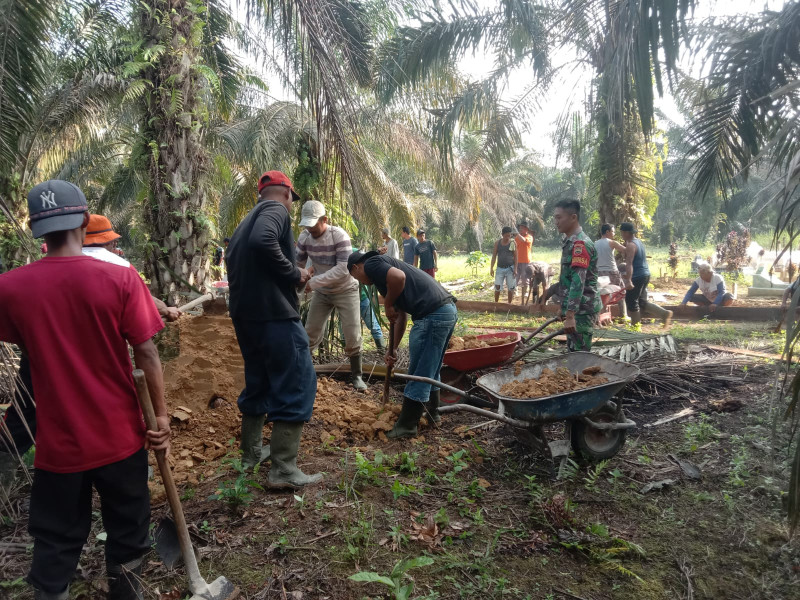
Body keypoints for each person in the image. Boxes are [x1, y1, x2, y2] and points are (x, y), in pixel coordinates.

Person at [0, 180, 170, 600]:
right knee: (128, 529)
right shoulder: (119, 279)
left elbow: (24, 341)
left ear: (38, 229)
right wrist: (162, 418)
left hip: (59, 446)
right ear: (83, 218)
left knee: (55, 536)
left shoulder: (10, 288)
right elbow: (146, 354)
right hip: (120, 438)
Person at [226, 171, 321, 487]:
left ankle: (251, 454)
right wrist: (294, 273)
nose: (291, 205)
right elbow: (264, 241)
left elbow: (248, 252)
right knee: (297, 380)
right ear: (286, 193)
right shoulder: (275, 210)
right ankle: (283, 469)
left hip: (247, 316)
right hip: (274, 316)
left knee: (259, 381)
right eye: (292, 200)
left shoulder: (245, 220)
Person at [348, 251, 457, 438]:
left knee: (419, 372)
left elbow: (399, 278)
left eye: (355, 277)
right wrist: (393, 348)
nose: (360, 281)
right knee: (430, 368)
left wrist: (387, 303)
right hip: (445, 312)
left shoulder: (373, 264)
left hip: (432, 315)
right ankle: (433, 413)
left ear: (356, 267)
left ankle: (407, 425)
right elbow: (399, 316)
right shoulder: (384, 278)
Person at [296, 200, 368, 390]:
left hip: (346, 290)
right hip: (322, 292)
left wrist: (312, 282)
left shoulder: (339, 236)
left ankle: (357, 375)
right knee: (310, 331)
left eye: (313, 224)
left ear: (324, 219)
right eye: (307, 225)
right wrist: (298, 280)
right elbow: (298, 266)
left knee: (352, 333)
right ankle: (303, 371)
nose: (310, 228)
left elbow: (343, 270)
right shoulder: (304, 238)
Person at [82, 214, 181, 322]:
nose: (114, 245)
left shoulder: (64, 260)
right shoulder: (121, 266)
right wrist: (166, 310)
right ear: (108, 241)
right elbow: (142, 298)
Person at [538, 199, 601, 352]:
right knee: (573, 353)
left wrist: (571, 315)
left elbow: (578, 282)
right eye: (555, 218)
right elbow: (567, 280)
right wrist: (564, 308)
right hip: (575, 309)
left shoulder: (580, 244)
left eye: (559, 217)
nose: (556, 222)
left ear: (573, 217)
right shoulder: (569, 242)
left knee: (580, 355)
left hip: (583, 310)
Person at [620, 223, 673, 326]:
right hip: (645, 274)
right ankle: (664, 313)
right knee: (642, 302)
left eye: (622, 232)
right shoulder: (638, 242)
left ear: (626, 233)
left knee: (631, 301)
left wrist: (629, 280)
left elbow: (629, 263)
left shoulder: (631, 245)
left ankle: (635, 327)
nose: (621, 235)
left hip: (637, 276)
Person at [595, 223, 628, 319]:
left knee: (602, 293)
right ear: (607, 232)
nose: (613, 234)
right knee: (621, 292)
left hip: (599, 273)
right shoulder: (612, 243)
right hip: (611, 271)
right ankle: (623, 315)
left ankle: (603, 313)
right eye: (613, 231)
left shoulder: (595, 244)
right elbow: (625, 250)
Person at [490, 226, 518, 303]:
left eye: (509, 236)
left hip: (510, 268)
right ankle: (496, 303)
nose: (508, 237)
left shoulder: (513, 243)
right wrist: (491, 268)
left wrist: (515, 269)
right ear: (502, 235)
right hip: (500, 268)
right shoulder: (497, 243)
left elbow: (516, 257)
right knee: (497, 287)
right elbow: (494, 256)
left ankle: (509, 304)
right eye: (506, 236)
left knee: (511, 288)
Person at [515, 220, 534, 303]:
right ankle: (515, 291)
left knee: (524, 277)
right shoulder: (517, 238)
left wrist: (517, 235)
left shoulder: (529, 237)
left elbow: (523, 240)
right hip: (517, 260)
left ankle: (526, 291)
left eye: (522, 228)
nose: (520, 230)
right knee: (515, 277)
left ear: (527, 229)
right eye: (520, 228)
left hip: (526, 260)